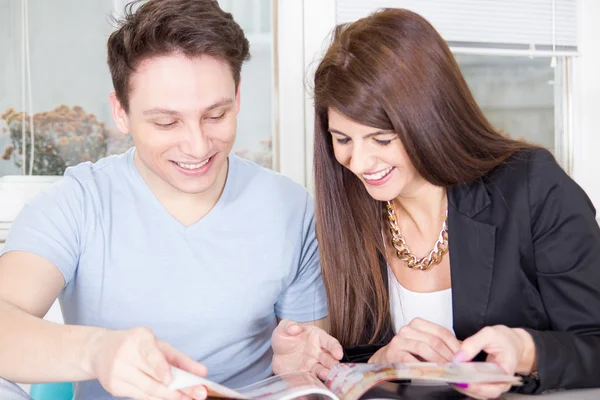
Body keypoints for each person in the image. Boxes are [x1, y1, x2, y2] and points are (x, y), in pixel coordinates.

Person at [0, 1, 329, 399]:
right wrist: (96, 350)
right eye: (166, 121)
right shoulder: (77, 204)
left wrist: (298, 367)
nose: (197, 145)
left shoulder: (292, 210)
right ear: (120, 112)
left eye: (216, 115)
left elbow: (311, 370)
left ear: (238, 97)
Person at [277, 8, 600, 400]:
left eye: (381, 140)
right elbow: (354, 358)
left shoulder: (532, 186)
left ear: (430, 118)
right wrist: (382, 362)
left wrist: (527, 351)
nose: (359, 164)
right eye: (343, 139)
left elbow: (594, 342)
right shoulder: (348, 209)